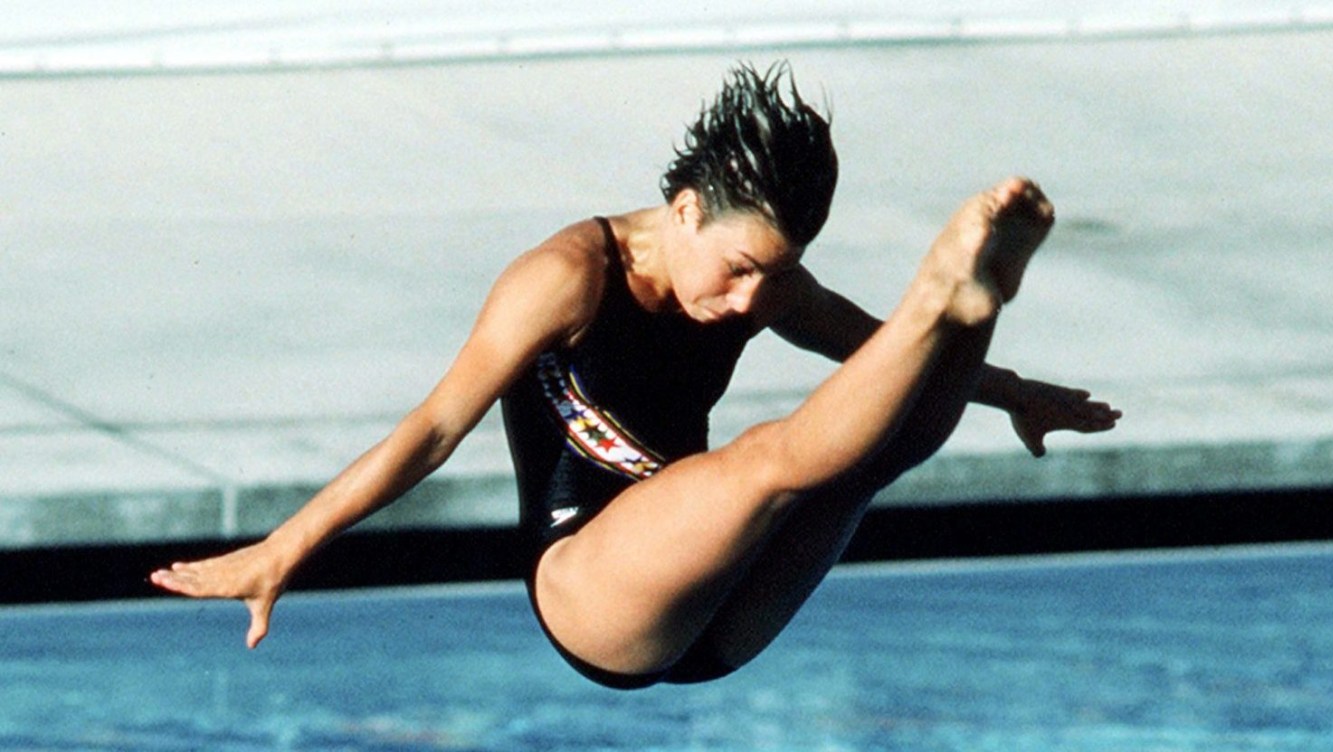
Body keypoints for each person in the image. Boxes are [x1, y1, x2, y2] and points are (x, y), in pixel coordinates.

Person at [151, 62, 1121, 690]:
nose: (750, 300)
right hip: (591, 590)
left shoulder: (763, 287)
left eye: (776, 274)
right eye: (740, 268)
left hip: (713, 613)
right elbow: (433, 427)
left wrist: (1012, 391)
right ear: (686, 210)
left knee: (880, 451)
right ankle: (941, 290)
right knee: (766, 461)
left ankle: (975, 299)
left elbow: (867, 354)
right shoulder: (566, 277)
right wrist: (285, 546)